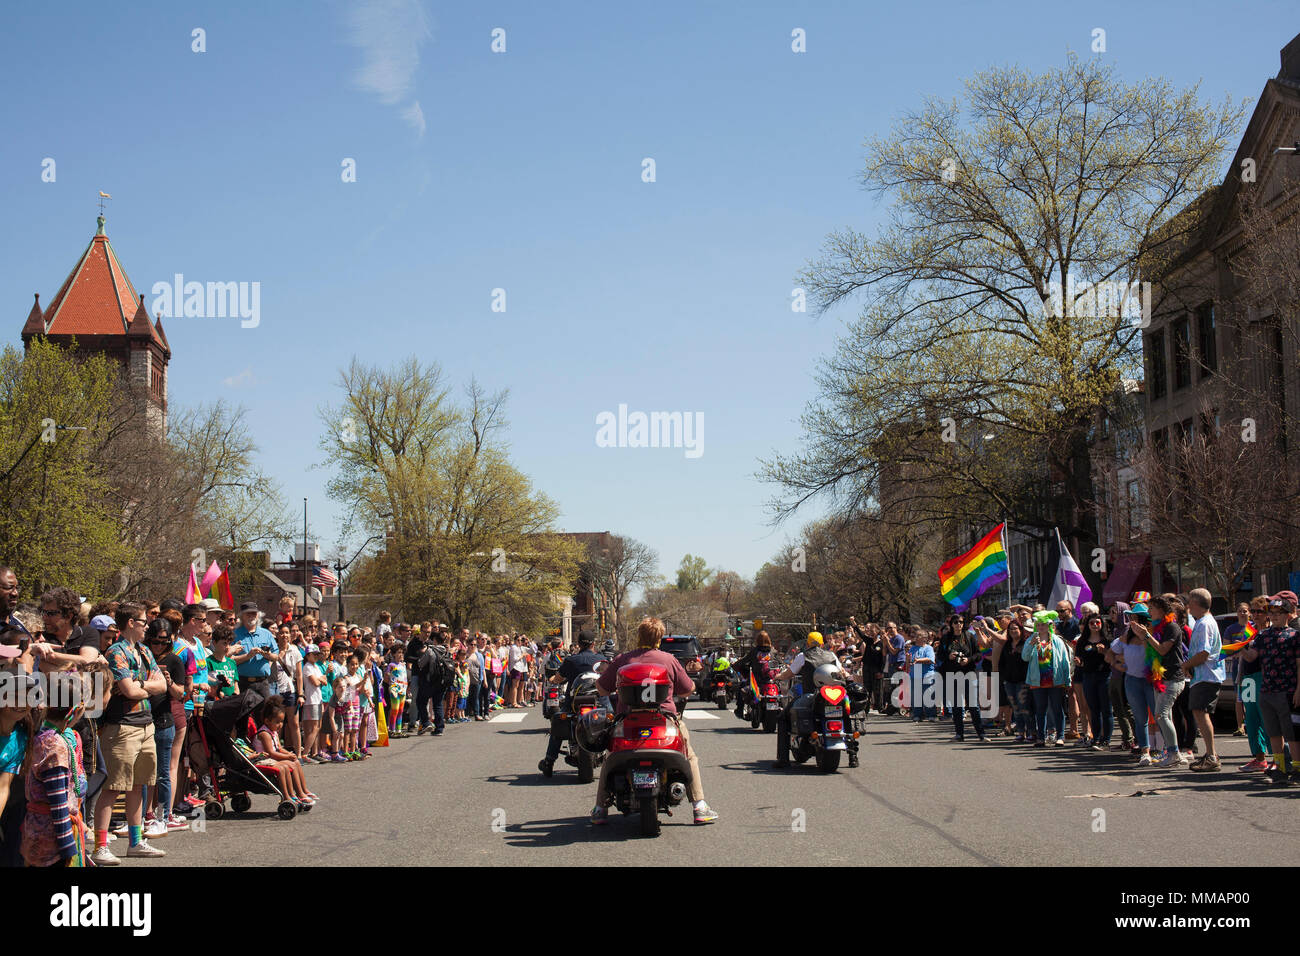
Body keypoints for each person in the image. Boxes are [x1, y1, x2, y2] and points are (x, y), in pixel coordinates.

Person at [592, 618, 717, 825]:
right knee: (690, 756)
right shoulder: (668, 660)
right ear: (659, 638)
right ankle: (699, 806)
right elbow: (687, 689)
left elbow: (602, 689)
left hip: (628, 723)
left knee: (609, 757)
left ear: (638, 636)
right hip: (664, 721)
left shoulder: (623, 659)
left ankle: (600, 809)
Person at [90, 603, 166, 864]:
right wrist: (146, 686)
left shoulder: (144, 651)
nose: (148, 626)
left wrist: (140, 684)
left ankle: (135, 842)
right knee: (113, 787)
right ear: (131, 622)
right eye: (144, 622)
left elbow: (162, 684)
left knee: (138, 785)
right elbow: (128, 691)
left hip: (146, 724)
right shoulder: (116, 651)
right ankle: (100, 846)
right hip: (121, 726)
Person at [22, 672, 91, 867]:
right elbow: (58, 801)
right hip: (52, 840)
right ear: (74, 710)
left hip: (38, 831)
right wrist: (68, 845)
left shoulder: (43, 735)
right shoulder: (54, 745)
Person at [1242, 591, 1299, 785]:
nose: (1274, 616)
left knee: (1291, 733)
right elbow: (1251, 657)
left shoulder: (1294, 635)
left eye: (1279, 612)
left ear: (1287, 615)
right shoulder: (1263, 636)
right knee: (1274, 732)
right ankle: (1281, 767)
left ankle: (1297, 769)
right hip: (1267, 690)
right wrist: (1239, 646)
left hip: (1288, 691)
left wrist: (1299, 690)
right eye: (1272, 612)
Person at [538, 630, 604, 777]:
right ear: (593, 643)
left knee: (558, 725)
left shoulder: (571, 660)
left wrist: (552, 680)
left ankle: (549, 762)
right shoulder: (601, 659)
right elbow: (610, 680)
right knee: (614, 722)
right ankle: (616, 758)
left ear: (579, 644)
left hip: (574, 702)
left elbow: (558, 678)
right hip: (598, 701)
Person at [144, 620, 188, 835]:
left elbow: (181, 694)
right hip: (142, 719)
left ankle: (164, 814)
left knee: (163, 771)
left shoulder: (174, 660)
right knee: (144, 772)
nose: (159, 646)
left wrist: (169, 682)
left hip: (163, 719)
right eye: (155, 641)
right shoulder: (142, 656)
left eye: (164, 641)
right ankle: (147, 814)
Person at [1137, 595, 1188, 768]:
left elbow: (1163, 649)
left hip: (1173, 678)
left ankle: (1174, 752)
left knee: (1161, 715)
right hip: (1160, 677)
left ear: (1161, 610)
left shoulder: (1172, 627)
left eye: (1151, 608)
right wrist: (1144, 636)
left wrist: (1146, 635)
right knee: (1165, 716)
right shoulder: (1156, 627)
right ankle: (1172, 752)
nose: (1149, 611)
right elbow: (1151, 651)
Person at [1182, 588, 1224, 772]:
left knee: (1201, 712)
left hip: (1207, 676)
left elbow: (1204, 653)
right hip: (1201, 676)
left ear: (1196, 604)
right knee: (1198, 712)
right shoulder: (1201, 622)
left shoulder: (1205, 623)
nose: (1188, 606)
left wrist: (1185, 665)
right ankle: (1210, 755)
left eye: (1190, 602)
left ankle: (1212, 755)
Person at [1115, 603, 1157, 766]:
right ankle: (1145, 751)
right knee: (1140, 718)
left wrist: (1144, 635)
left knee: (1159, 715)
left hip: (1151, 679)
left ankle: (1164, 749)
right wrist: (1117, 662)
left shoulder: (1152, 634)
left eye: (1133, 617)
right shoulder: (1126, 636)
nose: (1130, 621)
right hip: (1132, 680)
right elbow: (1111, 653)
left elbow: (1157, 653)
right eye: (1130, 617)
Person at [1022, 610, 1071, 748]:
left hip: (1055, 680)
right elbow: (1025, 657)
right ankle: (1041, 738)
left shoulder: (1057, 641)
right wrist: (1031, 644)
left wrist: (1067, 680)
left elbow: (1064, 661)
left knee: (1057, 708)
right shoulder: (1031, 639)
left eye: (1043, 624)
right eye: (1038, 625)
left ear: (1049, 625)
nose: (1041, 627)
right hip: (1038, 681)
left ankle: (1060, 736)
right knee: (1040, 710)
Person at [253, 699, 315, 806]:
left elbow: (279, 748)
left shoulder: (273, 732)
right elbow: (271, 753)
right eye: (277, 722)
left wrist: (289, 755)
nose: (280, 725)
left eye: (282, 721)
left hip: (270, 758)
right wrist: (286, 757)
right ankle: (288, 796)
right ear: (267, 721)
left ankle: (303, 791)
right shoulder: (264, 734)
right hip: (263, 759)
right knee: (285, 767)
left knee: (295, 762)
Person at [1076, 611, 1112, 751]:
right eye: (1092, 623)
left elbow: (1112, 659)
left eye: (1098, 622)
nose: (1095, 625)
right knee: (1093, 709)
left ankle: (1106, 740)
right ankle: (1095, 738)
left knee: (1106, 709)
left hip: (1104, 676)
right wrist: (1078, 662)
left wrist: (1104, 652)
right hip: (1088, 676)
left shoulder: (1107, 639)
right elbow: (1079, 657)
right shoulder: (1083, 641)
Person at [232, 603, 279, 694]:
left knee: (265, 708)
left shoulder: (266, 634)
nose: (251, 616)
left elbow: (276, 656)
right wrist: (247, 656)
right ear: (242, 616)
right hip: (242, 683)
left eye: (254, 613)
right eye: (248, 614)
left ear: (258, 615)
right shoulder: (234, 634)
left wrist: (267, 655)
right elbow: (229, 660)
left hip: (263, 683)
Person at [416, 632, 452, 737]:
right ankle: (439, 728)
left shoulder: (431, 651)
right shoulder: (446, 651)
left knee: (421, 701)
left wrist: (421, 654)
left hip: (430, 680)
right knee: (438, 704)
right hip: (442, 681)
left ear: (435, 640)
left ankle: (426, 722)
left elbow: (420, 663)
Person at [300, 644, 327, 760]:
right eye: (314, 654)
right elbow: (315, 682)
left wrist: (319, 679)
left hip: (318, 699)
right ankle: (305, 753)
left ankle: (314, 753)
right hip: (311, 700)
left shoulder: (315, 667)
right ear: (308, 655)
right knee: (314, 727)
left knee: (316, 727)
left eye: (317, 654)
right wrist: (320, 679)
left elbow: (324, 681)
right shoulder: (307, 667)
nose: (316, 656)